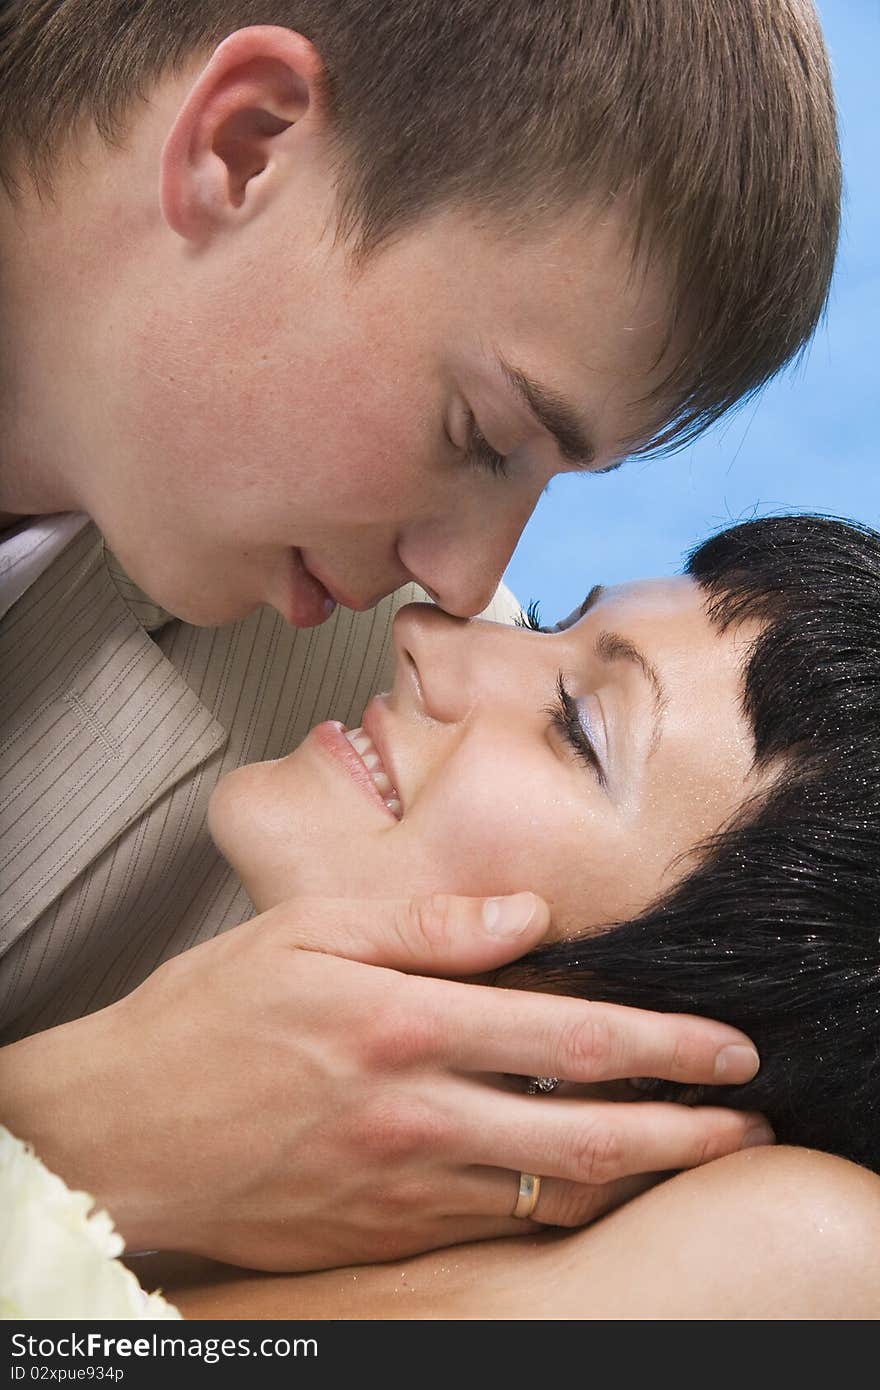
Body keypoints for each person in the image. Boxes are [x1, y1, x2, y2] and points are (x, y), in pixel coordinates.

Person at [0, 2, 842, 1272]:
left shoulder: (390, 781)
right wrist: (74, 1147)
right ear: (244, 144)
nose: (459, 591)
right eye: (483, 436)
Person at [140, 511, 880, 1317]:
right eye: (547, 620)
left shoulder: (801, 1251)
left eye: (579, 730)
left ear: (644, 1082)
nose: (426, 631)